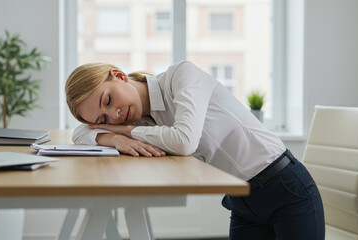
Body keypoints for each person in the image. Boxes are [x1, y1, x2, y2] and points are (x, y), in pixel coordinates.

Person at [65, 60, 325, 239]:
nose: (114, 115)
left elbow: (184, 141)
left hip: (286, 189)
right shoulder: (144, 121)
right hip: (244, 201)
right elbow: (79, 133)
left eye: (108, 101)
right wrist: (112, 140)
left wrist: (124, 131)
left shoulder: (182, 76)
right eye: (103, 119)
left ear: (119, 76)